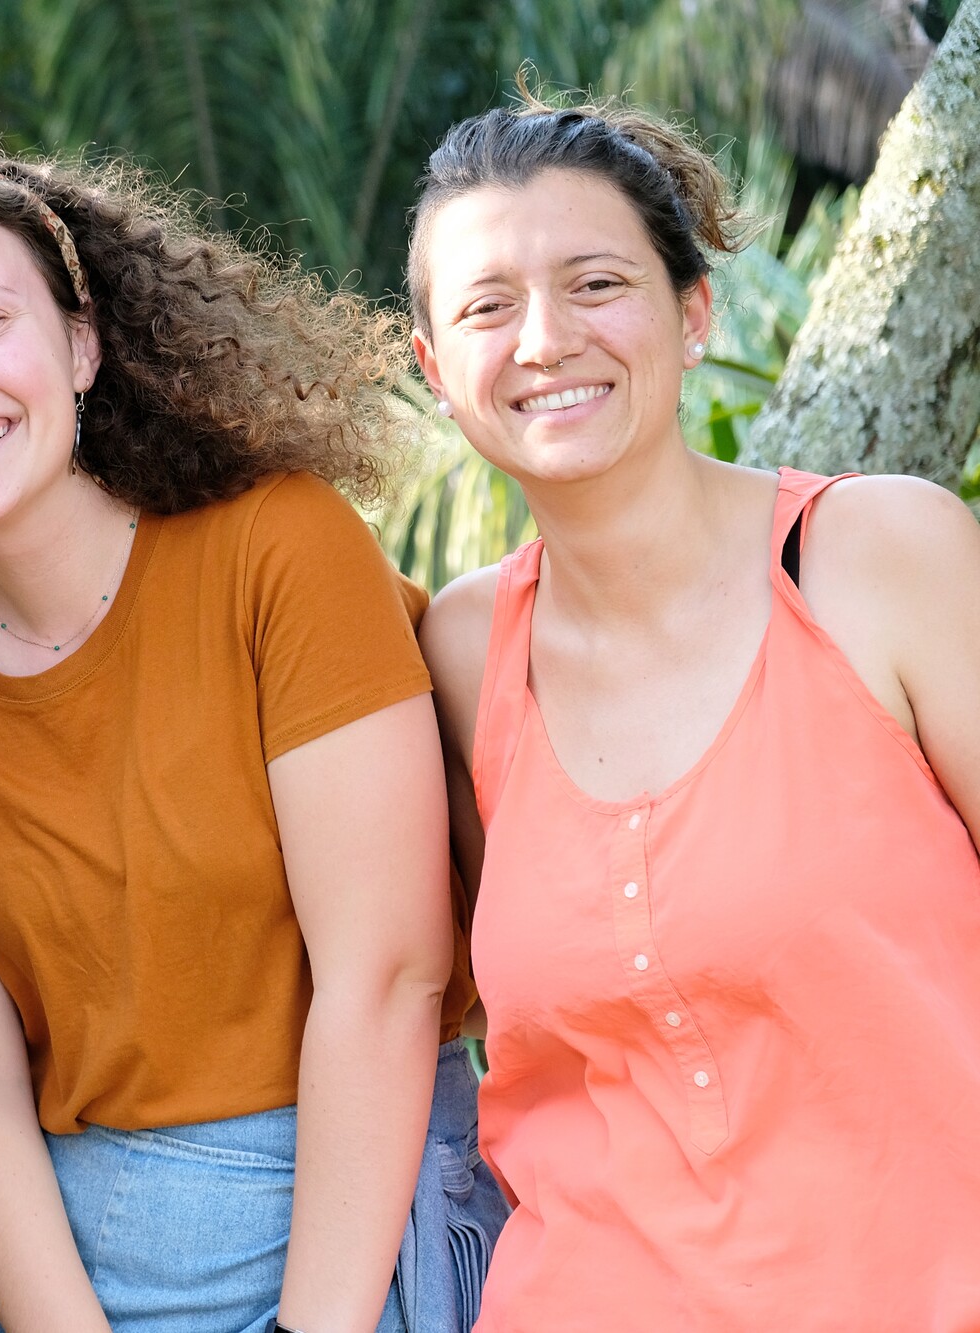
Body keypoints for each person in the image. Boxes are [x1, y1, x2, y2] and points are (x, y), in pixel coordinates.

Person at [0, 142, 507, 1333]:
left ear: (81, 342)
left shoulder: (277, 551)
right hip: (76, 1281)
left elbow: (386, 977)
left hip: (362, 1251)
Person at [407, 92, 980, 1330]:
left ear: (691, 308)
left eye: (595, 282)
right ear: (434, 367)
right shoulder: (462, 649)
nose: (544, 339)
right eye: (485, 307)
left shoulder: (874, 555)